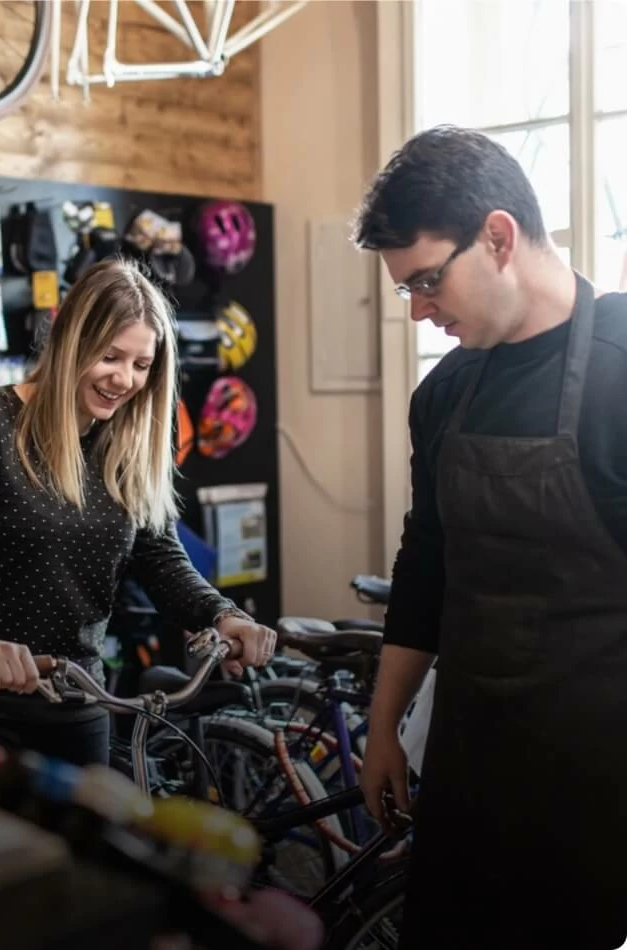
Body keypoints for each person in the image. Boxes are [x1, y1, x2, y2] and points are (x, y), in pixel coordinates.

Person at [354, 125, 627, 950]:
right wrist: (383, 728)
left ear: (499, 237)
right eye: (407, 289)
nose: (419, 309)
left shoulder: (620, 367)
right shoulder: (445, 395)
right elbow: (426, 566)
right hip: (472, 765)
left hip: (600, 780)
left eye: (428, 281)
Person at [0, 258, 277, 768]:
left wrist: (221, 613)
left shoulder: (130, 442)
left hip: (74, 703)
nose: (124, 379)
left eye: (142, 365)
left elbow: (161, 557)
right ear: (72, 341)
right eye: (110, 357)